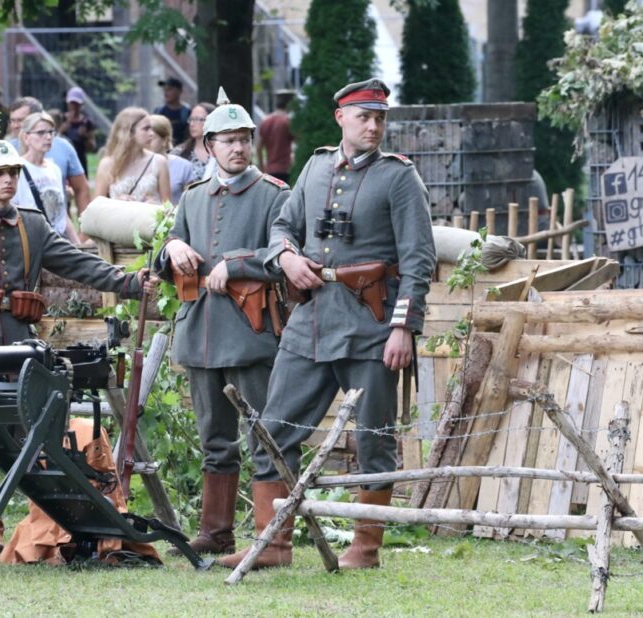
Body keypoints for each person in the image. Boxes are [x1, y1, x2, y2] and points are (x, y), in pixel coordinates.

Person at [219, 78, 436, 571]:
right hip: (310, 324)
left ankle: (365, 549)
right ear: (341, 118)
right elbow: (282, 227)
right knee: (272, 431)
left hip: (371, 328)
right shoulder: (316, 167)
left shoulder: (399, 177)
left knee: (374, 439)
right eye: (364, 117)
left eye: (380, 118)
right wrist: (287, 258)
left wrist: (403, 327)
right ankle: (272, 544)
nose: (374, 126)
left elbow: (418, 260)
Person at [0, 133, 153, 542]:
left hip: (20, 344)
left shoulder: (32, 225)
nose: (7, 180)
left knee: (34, 433)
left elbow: (79, 263)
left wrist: (128, 282)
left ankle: (43, 532)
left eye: (12, 172)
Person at [154, 89, 289, 555]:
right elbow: (170, 251)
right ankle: (215, 533)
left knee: (264, 436)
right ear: (208, 146)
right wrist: (171, 247)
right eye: (228, 141)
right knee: (214, 439)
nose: (238, 148)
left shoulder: (274, 194)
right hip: (201, 334)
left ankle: (270, 537)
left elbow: (284, 255)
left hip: (251, 334)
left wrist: (235, 264)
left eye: (244, 139)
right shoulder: (193, 197)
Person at [7, 96, 91, 215]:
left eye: (20, 120)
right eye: (12, 121)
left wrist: (84, 224)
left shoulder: (63, 148)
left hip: (57, 220)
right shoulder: (7, 151)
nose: (15, 126)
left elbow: (81, 188)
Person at [12, 112, 81, 243]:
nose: (48, 137)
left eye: (51, 132)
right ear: (26, 137)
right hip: (32, 241)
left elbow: (62, 214)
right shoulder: (16, 168)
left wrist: (78, 244)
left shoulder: (54, 169)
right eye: (41, 133)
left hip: (57, 241)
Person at [94, 107, 171, 204]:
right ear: (129, 132)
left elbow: (167, 206)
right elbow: (97, 205)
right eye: (146, 129)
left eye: (151, 128)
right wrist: (116, 202)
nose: (152, 133)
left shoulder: (159, 162)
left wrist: (154, 206)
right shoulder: (107, 164)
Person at [148, 114, 194, 205]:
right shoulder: (133, 164)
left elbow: (191, 204)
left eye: (151, 138)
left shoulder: (184, 167)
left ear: (165, 140)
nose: (146, 142)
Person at [256, 90, 296, 185]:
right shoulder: (288, 121)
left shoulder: (265, 121)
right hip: (285, 170)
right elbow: (299, 143)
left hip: (270, 170)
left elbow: (258, 148)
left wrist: (262, 168)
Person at [171, 102, 216, 180]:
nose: (191, 124)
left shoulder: (222, 151)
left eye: (197, 119)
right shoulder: (179, 152)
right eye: (191, 119)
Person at [60, 87, 97, 171]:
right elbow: (53, 141)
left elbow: (92, 147)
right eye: (72, 103)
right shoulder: (61, 119)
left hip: (80, 162)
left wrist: (85, 137)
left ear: (81, 104)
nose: (74, 106)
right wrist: (62, 130)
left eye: (76, 103)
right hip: (64, 162)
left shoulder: (86, 122)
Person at [154, 77, 191, 145]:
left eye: (169, 89)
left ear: (179, 91)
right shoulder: (158, 111)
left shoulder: (187, 112)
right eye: (164, 90)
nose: (165, 93)